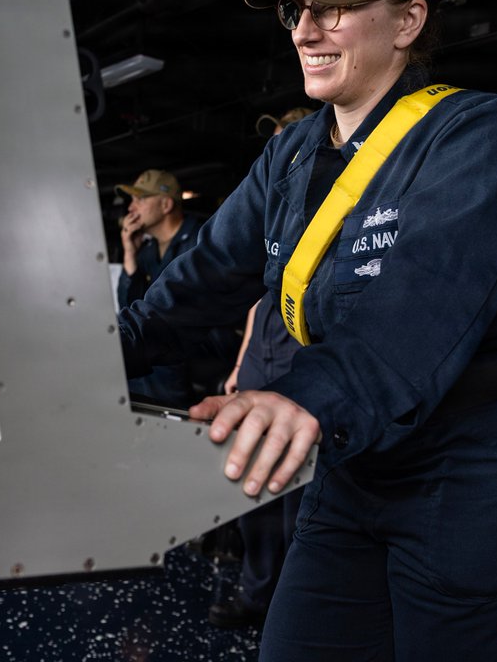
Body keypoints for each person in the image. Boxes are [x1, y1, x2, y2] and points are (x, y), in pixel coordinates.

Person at [118, 0, 497, 660]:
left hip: (476, 471)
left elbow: (418, 303)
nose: (304, 31)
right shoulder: (292, 155)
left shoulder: (477, 134)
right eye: (297, 11)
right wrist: (85, 358)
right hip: (355, 466)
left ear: (408, 22)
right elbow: (197, 283)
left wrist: (303, 397)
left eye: (331, 8)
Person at [210, 108, 310, 630]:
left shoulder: (335, 202)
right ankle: (255, 595)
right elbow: (258, 293)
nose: (278, 155)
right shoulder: (273, 209)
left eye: (287, 143)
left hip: (299, 365)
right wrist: (240, 361)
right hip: (259, 361)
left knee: (295, 496)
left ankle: (291, 612)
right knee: (252, 494)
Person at [116, 169, 206, 405]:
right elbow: (130, 308)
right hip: (163, 352)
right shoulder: (147, 251)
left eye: (140, 199)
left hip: (195, 351)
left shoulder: (201, 241)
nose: (131, 208)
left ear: (166, 205)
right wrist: (129, 254)